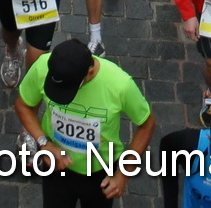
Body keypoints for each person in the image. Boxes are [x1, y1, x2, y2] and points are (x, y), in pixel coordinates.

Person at [15, 35, 155, 207]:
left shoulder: (120, 84)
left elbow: (146, 124)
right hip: (56, 166)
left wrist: (123, 174)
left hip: (100, 173)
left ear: (89, 72)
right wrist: (44, 144)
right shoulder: (43, 67)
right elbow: (23, 105)